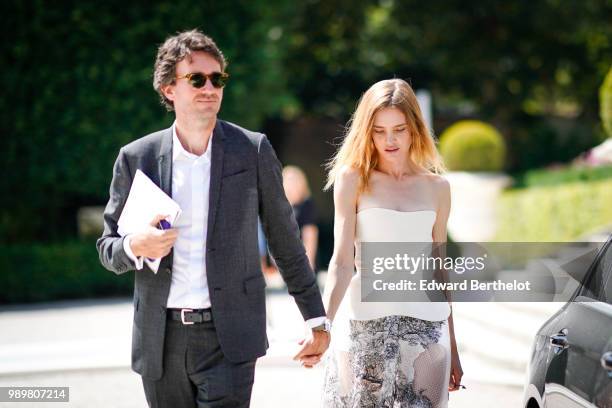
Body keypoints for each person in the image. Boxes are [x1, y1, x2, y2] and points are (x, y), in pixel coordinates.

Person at [96, 29, 330, 408]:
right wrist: (134, 245)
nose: (210, 87)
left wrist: (316, 320)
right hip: (160, 339)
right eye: (197, 78)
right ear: (169, 89)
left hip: (230, 336)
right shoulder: (137, 158)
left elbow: (285, 240)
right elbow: (107, 248)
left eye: (217, 78)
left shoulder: (251, 150)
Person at [321, 79, 463, 407]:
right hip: (364, 331)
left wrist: (453, 345)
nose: (389, 140)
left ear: (414, 128)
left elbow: (439, 269)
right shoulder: (352, 179)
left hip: (426, 332)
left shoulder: (438, 187)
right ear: (366, 131)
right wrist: (323, 324)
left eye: (399, 129)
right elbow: (342, 262)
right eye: (379, 130)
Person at [282, 165, 319, 272]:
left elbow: (310, 235)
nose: (291, 186)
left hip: (303, 266)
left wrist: (308, 266)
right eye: (288, 182)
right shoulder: (281, 208)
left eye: (294, 182)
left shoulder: (306, 206)